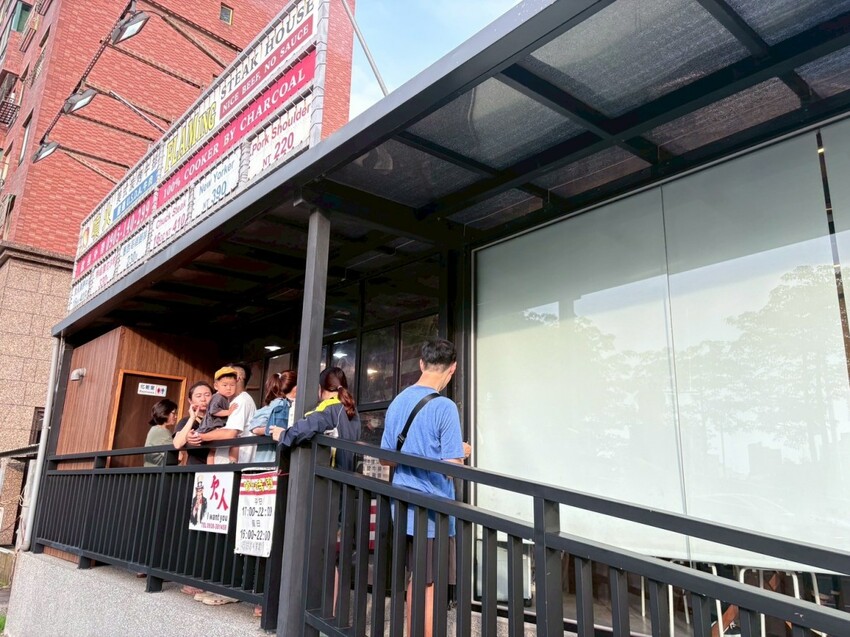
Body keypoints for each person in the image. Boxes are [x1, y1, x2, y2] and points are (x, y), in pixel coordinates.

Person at [380, 338, 471, 637]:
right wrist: (463, 451)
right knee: (431, 585)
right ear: (453, 369)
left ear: (421, 364)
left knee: (416, 578)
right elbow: (452, 464)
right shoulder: (444, 407)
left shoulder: (398, 401)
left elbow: (387, 460)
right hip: (433, 512)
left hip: (404, 507)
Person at [270, 367, 361, 470]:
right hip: (350, 475)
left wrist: (282, 435)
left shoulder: (327, 407)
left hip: (333, 476)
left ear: (319, 388)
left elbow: (304, 427)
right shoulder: (351, 408)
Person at [189, 362, 257, 464]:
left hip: (235, 467)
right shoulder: (227, 400)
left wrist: (199, 436)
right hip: (223, 465)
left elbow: (230, 433)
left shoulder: (241, 400)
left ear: (238, 378)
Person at [248, 370, 297, 463]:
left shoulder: (273, 404)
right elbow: (257, 428)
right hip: (276, 458)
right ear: (295, 388)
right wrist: (277, 430)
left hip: (264, 459)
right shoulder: (282, 404)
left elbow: (255, 427)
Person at [172, 381, 213, 465]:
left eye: (207, 395)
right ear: (190, 401)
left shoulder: (220, 419)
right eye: (198, 396)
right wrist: (192, 418)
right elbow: (177, 444)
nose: (203, 399)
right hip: (195, 468)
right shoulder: (185, 421)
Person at [143, 399, 178, 467]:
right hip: (159, 474)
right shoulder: (161, 431)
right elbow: (177, 457)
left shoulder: (155, 429)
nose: (176, 416)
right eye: (173, 413)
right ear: (164, 413)